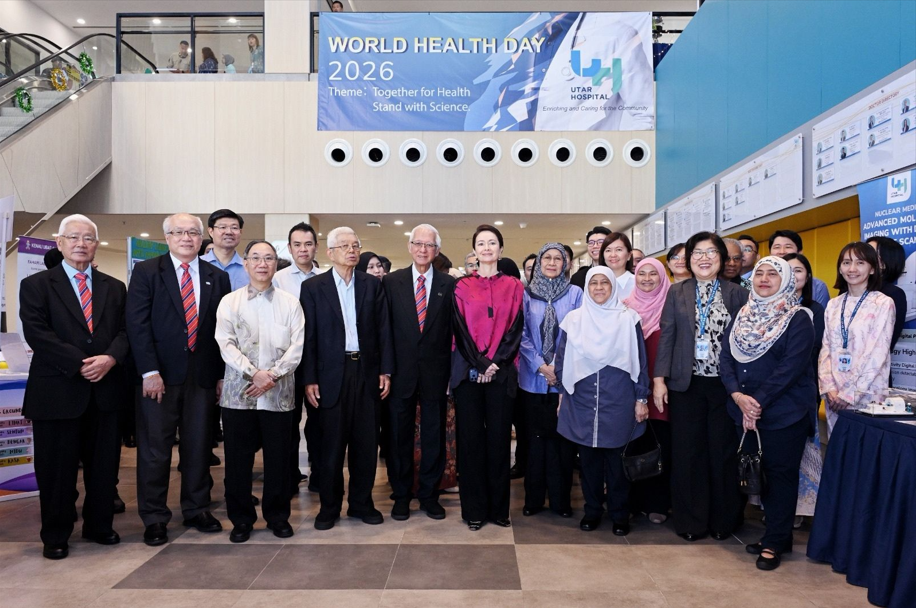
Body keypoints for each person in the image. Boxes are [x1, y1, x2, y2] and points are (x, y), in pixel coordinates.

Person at [20, 215, 129, 560]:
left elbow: (126, 331)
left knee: (104, 467)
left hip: (105, 390)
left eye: (88, 238)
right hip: (57, 390)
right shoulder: (36, 285)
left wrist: (110, 358)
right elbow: (37, 333)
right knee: (56, 470)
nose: (81, 244)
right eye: (73, 237)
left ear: (96, 245)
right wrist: (81, 363)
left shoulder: (115, 287)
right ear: (60, 242)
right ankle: (56, 534)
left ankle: (99, 525)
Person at [126, 214, 231, 546]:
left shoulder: (218, 277)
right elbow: (137, 324)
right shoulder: (146, 272)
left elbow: (222, 331)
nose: (186, 237)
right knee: (155, 451)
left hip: (202, 378)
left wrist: (220, 375)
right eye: (179, 232)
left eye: (193, 232)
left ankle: (197, 508)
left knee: (198, 447)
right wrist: (149, 372)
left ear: (202, 238)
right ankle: (155, 517)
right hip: (159, 377)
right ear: (167, 237)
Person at [720, 256, 816, 571]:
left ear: (786, 280)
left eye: (773, 273)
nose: (764, 278)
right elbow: (726, 358)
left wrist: (756, 402)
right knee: (759, 475)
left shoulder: (798, 318)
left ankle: (774, 542)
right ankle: (778, 535)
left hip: (784, 413)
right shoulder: (742, 314)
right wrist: (738, 396)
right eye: (759, 273)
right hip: (743, 411)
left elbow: (791, 368)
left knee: (779, 478)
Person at [653, 231, 749, 542]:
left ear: (721, 258)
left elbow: (745, 342)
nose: (703, 258)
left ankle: (723, 520)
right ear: (689, 259)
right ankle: (691, 522)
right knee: (687, 453)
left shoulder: (737, 293)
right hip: (686, 385)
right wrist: (659, 379)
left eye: (711, 252)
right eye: (697, 253)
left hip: (725, 386)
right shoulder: (677, 292)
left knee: (721, 453)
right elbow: (667, 336)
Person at [300, 227, 394, 530]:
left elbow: (384, 330)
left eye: (355, 246)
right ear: (330, 253)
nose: (352, 251)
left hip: (366, 372)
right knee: (330, 446)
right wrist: (309, 378)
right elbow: (308, 336)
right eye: (344, 246)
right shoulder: (313, 287)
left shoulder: (371, 284)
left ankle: (361, 503)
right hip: (329, 374)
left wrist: (385, 370)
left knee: (366, 444)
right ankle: (329, 507)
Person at [215, 240, 304, 543]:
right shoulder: (230, 302)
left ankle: (278, 517)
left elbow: (297, 347)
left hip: (279, 395)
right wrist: (255, 373)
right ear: (246, 263)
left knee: (279, 461)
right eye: (256, 258)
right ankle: (241, 520)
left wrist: (272, 375)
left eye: (268, 258)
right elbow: (225, 344)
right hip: (239, 395)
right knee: (238, 462)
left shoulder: (290, 303)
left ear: (275, 264)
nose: (262, 264)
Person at [557, 267, 649, 534]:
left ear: (613, 287)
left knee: (617, 463)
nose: (598, 288)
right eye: (593, 283)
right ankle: (593, 511)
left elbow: (640, 360)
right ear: (586, 288)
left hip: (618, 397)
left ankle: (620, 514)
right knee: (588, 463)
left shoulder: (628, 318)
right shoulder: (573, 320)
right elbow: (562, 359)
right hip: (582, 398)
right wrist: (563, 393)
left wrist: (641, 397)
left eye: (604, 283)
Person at [451, 224, 524, 530]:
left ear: (501, 249)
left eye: (492, 243)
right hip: (468, 374)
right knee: (470, 443)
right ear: (474, 250)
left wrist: (494, 363)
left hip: (501, 373)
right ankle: (474, 511)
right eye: (481, 243)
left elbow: (515, 329)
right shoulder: (461, 286)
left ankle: (499, 510)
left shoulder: (514, 286)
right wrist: (480, 363)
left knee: (498, 442)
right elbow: (459, 330)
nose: (486, 248)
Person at [382, 224, 455, 521]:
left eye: (429, 245)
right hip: (400, 373)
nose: (423, 250)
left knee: (434, 436)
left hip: (436, 373)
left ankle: (428, 494)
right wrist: (386, 370)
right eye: (418, 244)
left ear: (437, 251)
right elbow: (384, 330)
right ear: (410, 247)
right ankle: (401, 495)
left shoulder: (449, 284)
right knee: (398, 436)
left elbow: (453, 332)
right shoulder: (391, 282)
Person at [519, 243, 582, 518]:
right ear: (539, 263)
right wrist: (540, 365)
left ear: (566, 264)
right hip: (531, 380)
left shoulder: (576, 293)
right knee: (534, 442)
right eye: (548, 258)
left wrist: (557, 365)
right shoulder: (525, 295)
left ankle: (560, 501)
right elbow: (520, 333)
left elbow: (578, 332)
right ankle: (533, 500)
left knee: (561, 444)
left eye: (559, 258)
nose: (553, 263)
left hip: (564, 381)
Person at [819, 243, 895, 434]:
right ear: (840, 268)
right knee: (838, 446)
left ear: (872, 269)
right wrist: (829, 388)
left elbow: (877, 354)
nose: (852, 269)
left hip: (867, 394)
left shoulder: (883, 303)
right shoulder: (833, 304)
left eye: (860, 263)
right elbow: (826, 348)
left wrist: (849, 394)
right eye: (846, 262)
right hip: (834, 395)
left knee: (864, 447)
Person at [272, 222, 324, 494]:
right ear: (290, 248)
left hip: (319, 359)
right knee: (288, 422)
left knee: (319, 421)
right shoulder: (278, 279)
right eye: (297, 244)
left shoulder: (327, 277)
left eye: (308, 244)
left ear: (316, 246)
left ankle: (319, 474)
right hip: (287, 361)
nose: (303, 249)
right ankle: (289, 476)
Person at [623, 258, 673, 525]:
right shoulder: (624, 307)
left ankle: (658, 502)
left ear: (662, 277)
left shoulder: (671, 306)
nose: (647, 279)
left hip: (661, 386)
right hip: (630, 387)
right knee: (631, 443)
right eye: (642, 273)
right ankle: (631, 500)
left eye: (653, 274)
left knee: (659, 442)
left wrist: (660, 381)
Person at [782, 253, 825, 526]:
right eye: (787, 270)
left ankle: (799, 509)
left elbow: (814, 349)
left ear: (808, 277)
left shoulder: (815, 309)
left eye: (798, 270)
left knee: (800, 453)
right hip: (771, 392)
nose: (793, 275)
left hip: (801, 389)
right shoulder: (764, 306)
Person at [768, 230, 829, 308]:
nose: (782, 251)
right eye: (777, 247)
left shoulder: (817, 287)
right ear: (770, 254)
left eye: (788, 247)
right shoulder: (763, 283)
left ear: (800, 252)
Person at [866, 236, 906, 350]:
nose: (861, 256)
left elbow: (886, 343)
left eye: (869, 253)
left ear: (884, 263)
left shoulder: (893, 294)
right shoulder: (847, 290)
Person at [203, 209, 248, 290]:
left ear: (240, 232)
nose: (229, 232)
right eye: (223, 227)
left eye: (234, 228)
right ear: (211, 231)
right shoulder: (197, 265)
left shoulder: (249, 268)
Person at [598, 231, 635, 299]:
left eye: (618, 250)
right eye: (608, 250)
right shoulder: (596, 284)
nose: (613, 255)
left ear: (629, 255)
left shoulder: (637, 283)